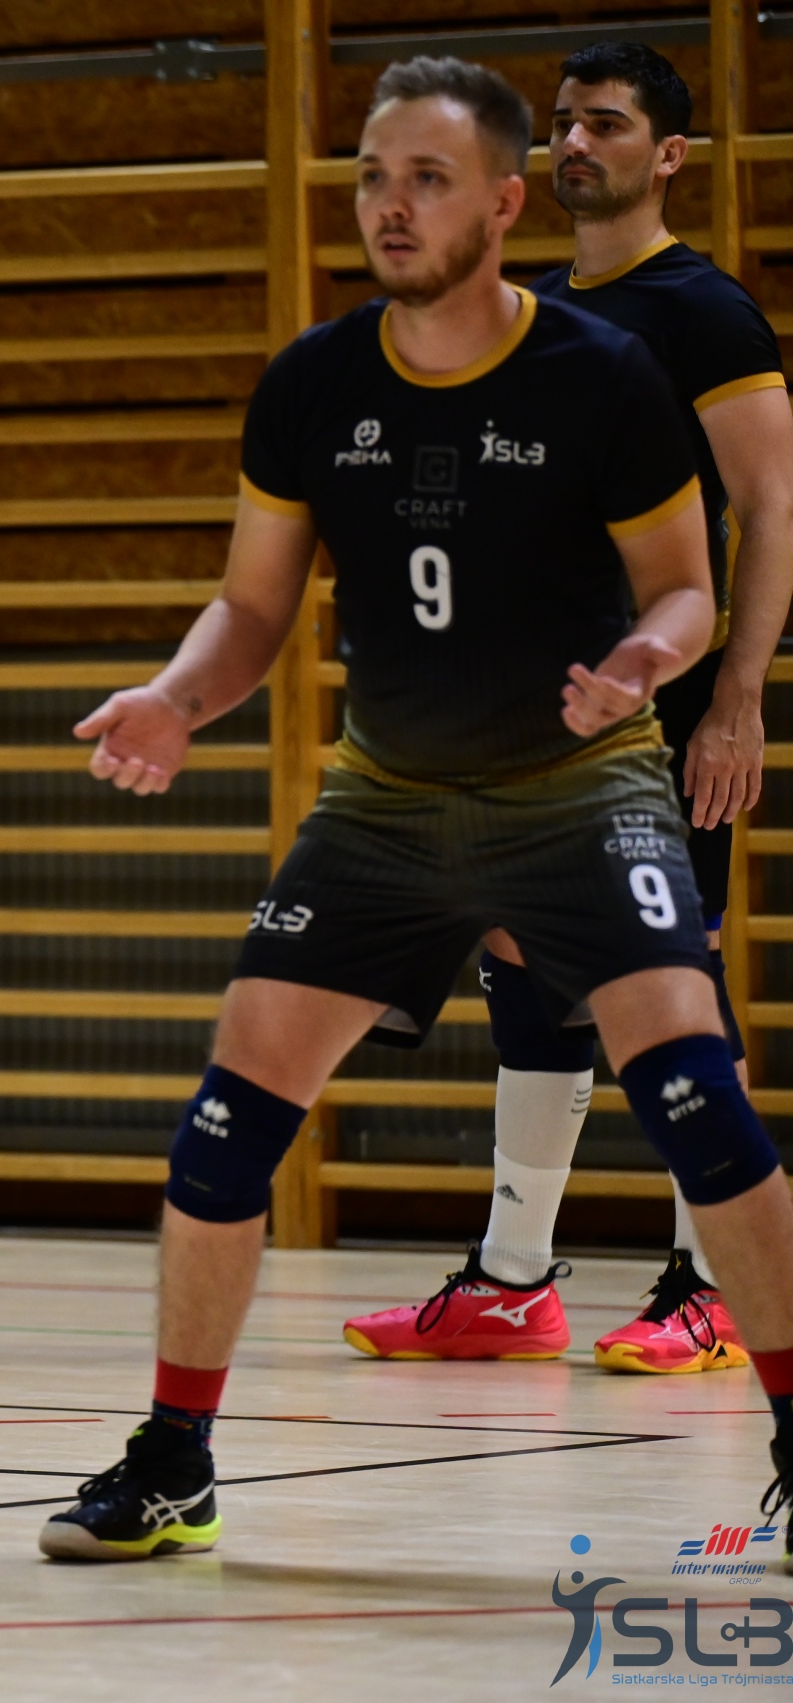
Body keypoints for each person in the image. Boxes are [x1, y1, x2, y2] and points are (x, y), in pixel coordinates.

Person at [39, 58, 793, 1563]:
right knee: (225, 1125)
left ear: (503, 203)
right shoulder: (314, 383)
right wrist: (175, 698)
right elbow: (253, 607)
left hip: (578, 792)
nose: (392, 206)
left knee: (696, 1095)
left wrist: (650, 663)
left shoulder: (603, 374)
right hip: (384, 801)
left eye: (428, 180)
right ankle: (175, 1459)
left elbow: (687, 586)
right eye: (374, 177)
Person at [343, 41, 793, 1377]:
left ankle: (716, 1286)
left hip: (661, 716)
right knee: (528, 970)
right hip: (526, 720)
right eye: (563, 123)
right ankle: (511, 1281)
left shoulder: (703, 313)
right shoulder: (530, 312)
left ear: (671, 155)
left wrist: (739, 698)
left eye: (606, 122)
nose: (576, 143)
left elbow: (771, 507)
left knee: (669, 985)